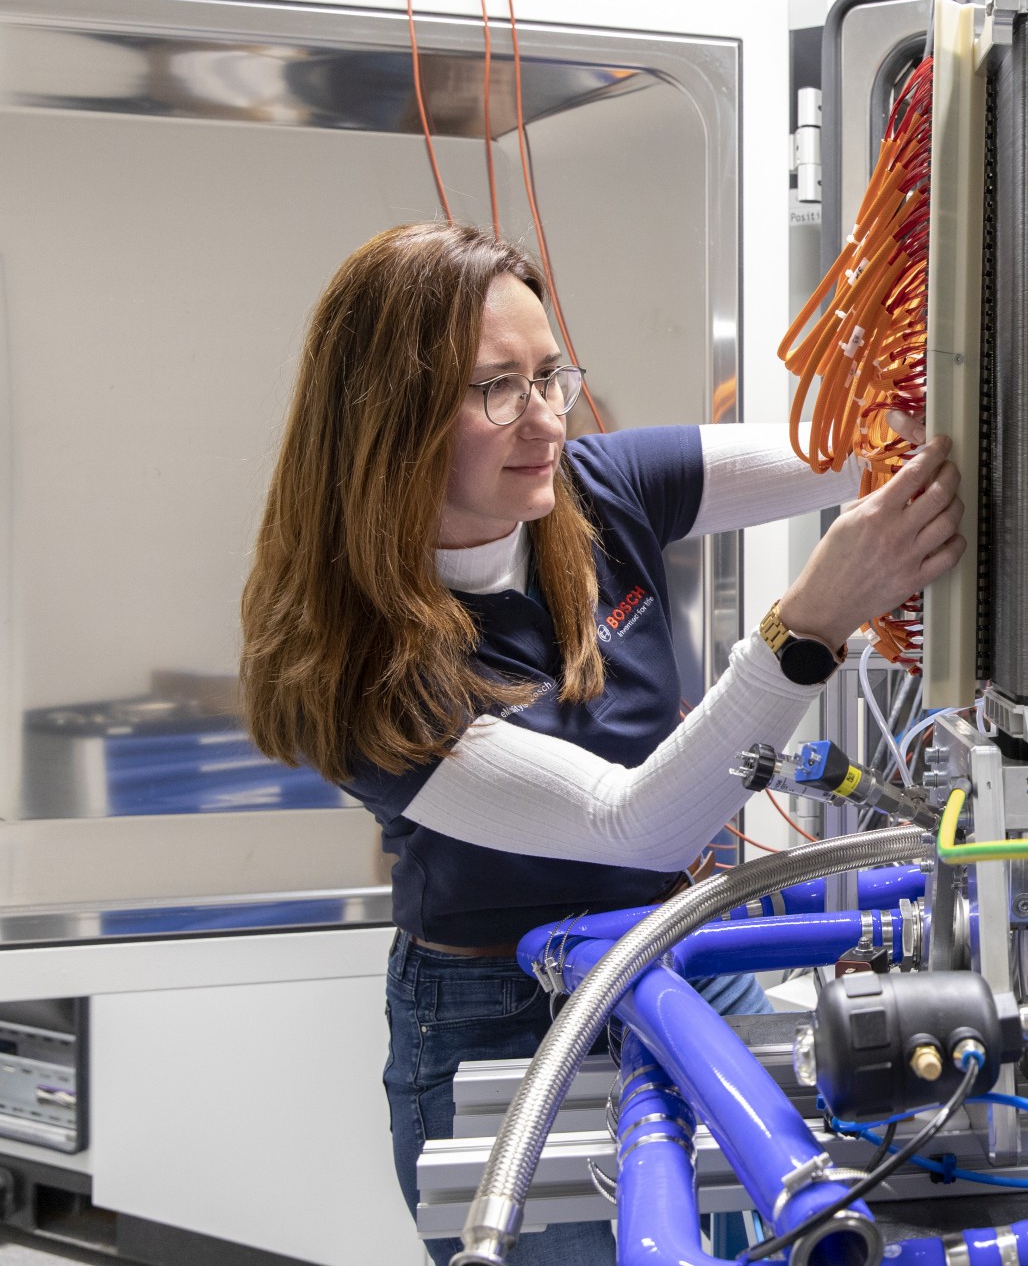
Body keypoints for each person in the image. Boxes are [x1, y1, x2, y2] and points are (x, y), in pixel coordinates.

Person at [239, 223, 962, 1263]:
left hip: (684, 957)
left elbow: (851, 451)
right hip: (507, 1015)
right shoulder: (363, 667)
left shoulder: (592, 489)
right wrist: (805, 625)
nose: (542, 422)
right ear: (390, 420)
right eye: (496, 388)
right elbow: (629, 826)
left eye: (549, 377)